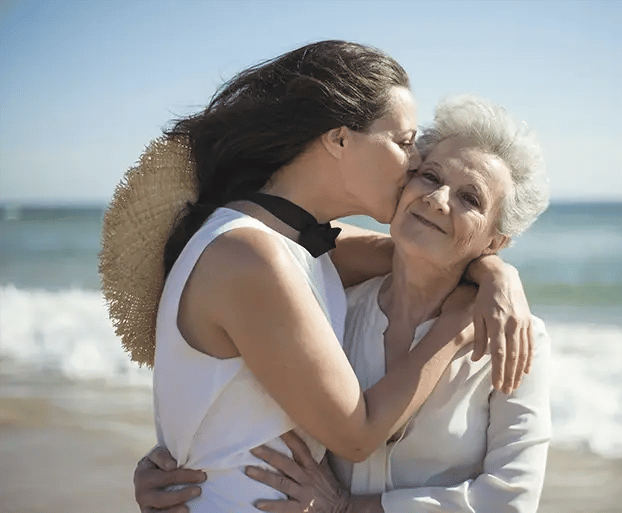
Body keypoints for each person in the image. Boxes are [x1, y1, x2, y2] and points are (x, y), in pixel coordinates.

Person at [100, 41, 535, 512]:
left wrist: (496, 272)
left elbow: (426, 251)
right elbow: (357, 435)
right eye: (404, 142)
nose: (414, 163)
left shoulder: (296, 241)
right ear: (339, 139)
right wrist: (458, 325)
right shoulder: (251, 254)